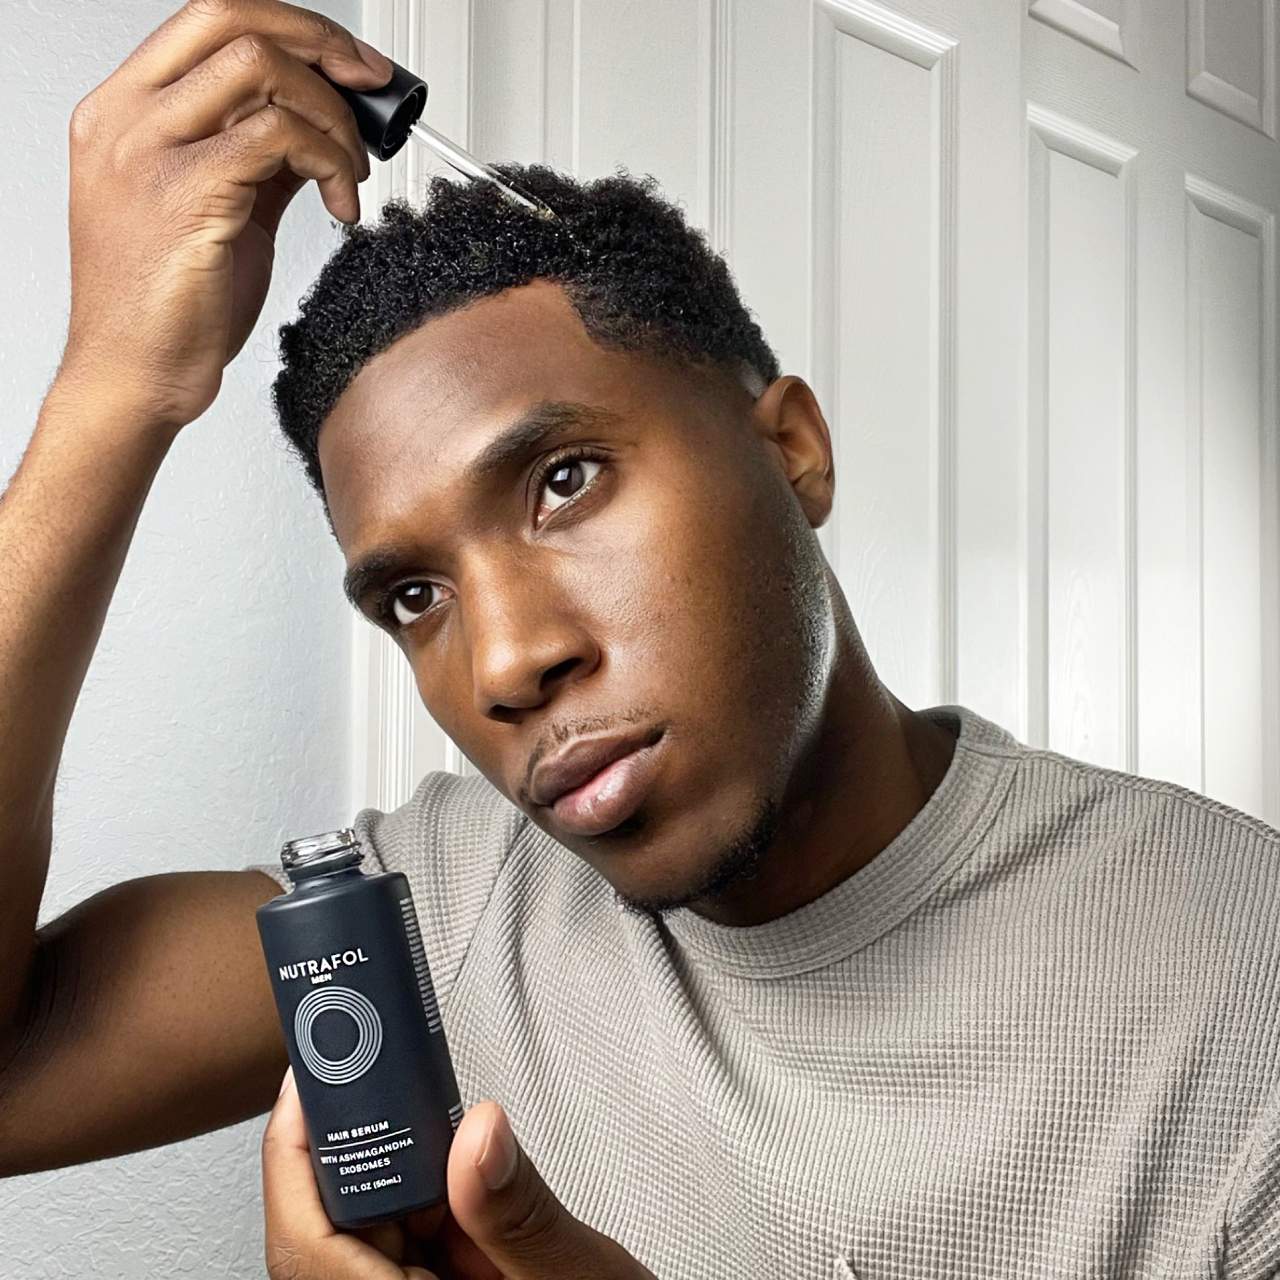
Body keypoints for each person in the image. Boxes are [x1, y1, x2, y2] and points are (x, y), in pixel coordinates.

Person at [2, 1, 1280, 1277]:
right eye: (414, 596)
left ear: (793, 450)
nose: (504, 662)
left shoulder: (1239, 987)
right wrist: (113, 384)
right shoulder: (436, 912)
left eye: (563, 481)